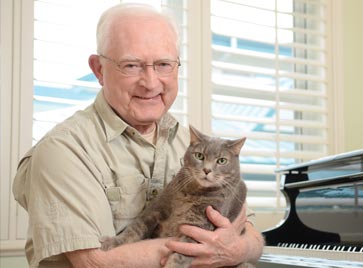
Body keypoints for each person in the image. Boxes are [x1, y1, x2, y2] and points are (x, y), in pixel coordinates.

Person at [12, 3, 264, 268]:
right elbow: (96, 262)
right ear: (98, 69)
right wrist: (210, 248)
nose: (151, 82)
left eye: (164, 64)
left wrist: (237, 249)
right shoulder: (64, 151)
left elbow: (251, 236)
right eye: (131, 65)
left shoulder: (191, 145)